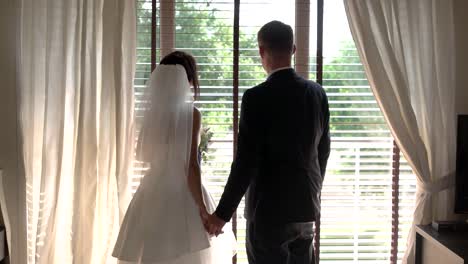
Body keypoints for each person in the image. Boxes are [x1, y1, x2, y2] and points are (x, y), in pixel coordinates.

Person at [206, 21, 331, 264]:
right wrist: (312, 192)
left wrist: (221, 215)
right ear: (293, 49)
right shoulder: (317, 93)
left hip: (267, 214)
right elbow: (323, 151)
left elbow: (245, 162)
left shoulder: (255, 98)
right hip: (305, 209)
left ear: (261, 51)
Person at [112, 51, 236, 264]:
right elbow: (191, 166)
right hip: (183, 195)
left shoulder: (152, 116)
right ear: (188, 80)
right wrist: (202, 209)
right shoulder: (192, 115)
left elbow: (142, 155)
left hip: (151, 193)